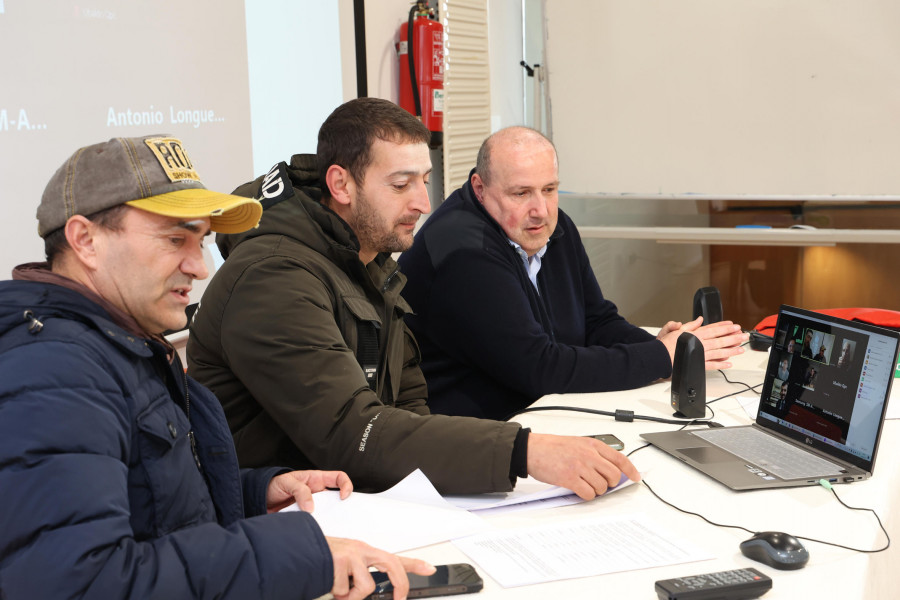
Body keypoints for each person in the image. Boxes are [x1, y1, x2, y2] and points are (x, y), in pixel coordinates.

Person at [0, 135, 433, 600]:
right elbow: (79, 581)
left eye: (201, 241)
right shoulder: (53, 372)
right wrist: (299, 553)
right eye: (174, 239)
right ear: (85, 240)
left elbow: (147, 507)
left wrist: (250, 494)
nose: (199, 267)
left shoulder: (119, 343)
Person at [187, 98, 640, 501]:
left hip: (357, 500)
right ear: (341, 185)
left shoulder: (370, 262)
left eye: (424, 180)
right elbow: (354, 434)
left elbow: (408, 407)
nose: (424, 203)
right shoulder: (274, 278)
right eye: (402, 185)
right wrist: (523, 450)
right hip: (280, 517)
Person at [397, 126, 748, 420]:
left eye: (549, 189)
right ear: (479, 189)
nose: (541, 210)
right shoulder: (463, 251)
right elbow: (539, 369)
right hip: (471, 437)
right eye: (521, 193)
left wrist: (662, 347)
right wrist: (660, 356)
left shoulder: (550, 225)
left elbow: (595, 321)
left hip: (540, 414)